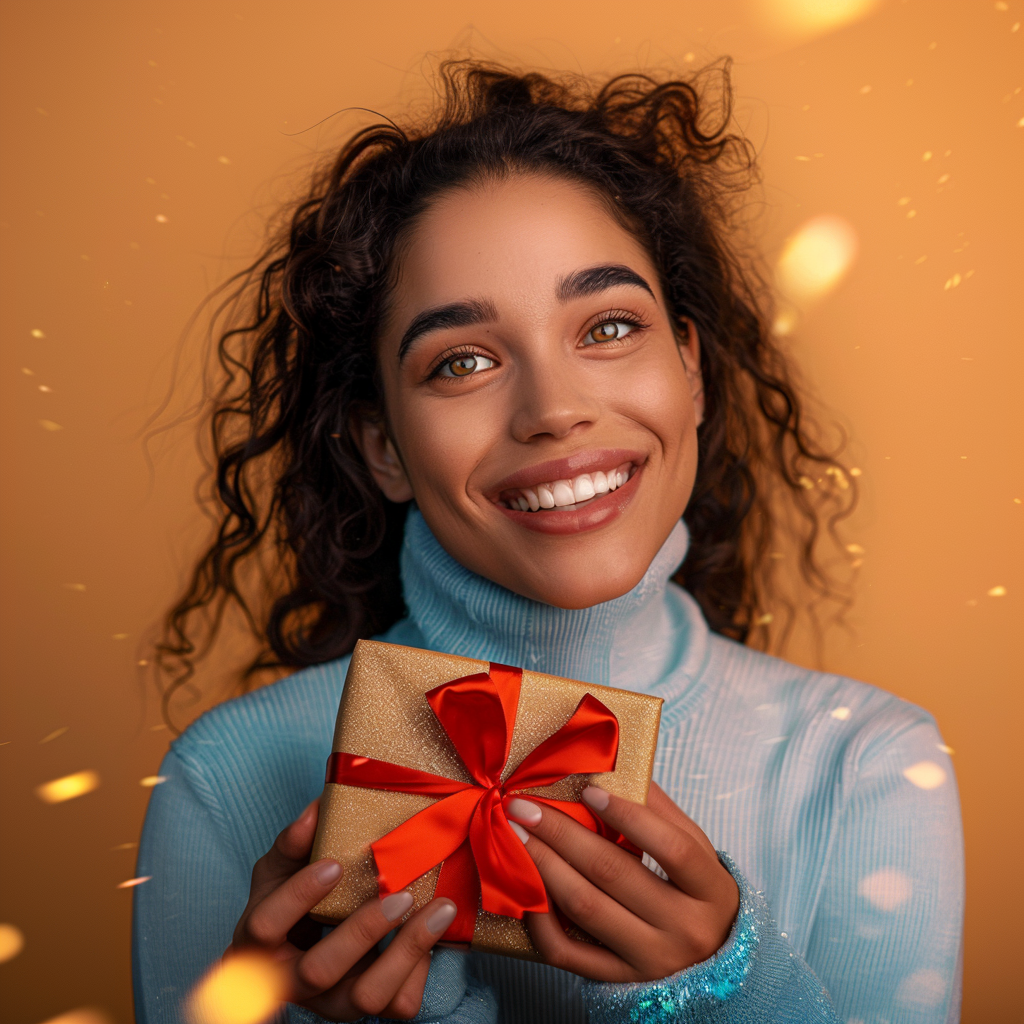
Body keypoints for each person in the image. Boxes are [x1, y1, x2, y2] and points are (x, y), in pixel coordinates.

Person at [133, 62, 964, 1023]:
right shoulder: (227, 774)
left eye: (609, 325)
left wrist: (728, 990)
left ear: (690, 371)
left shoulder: (865, 764)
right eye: (464, 361)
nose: (555, 410)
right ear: (382, 446)